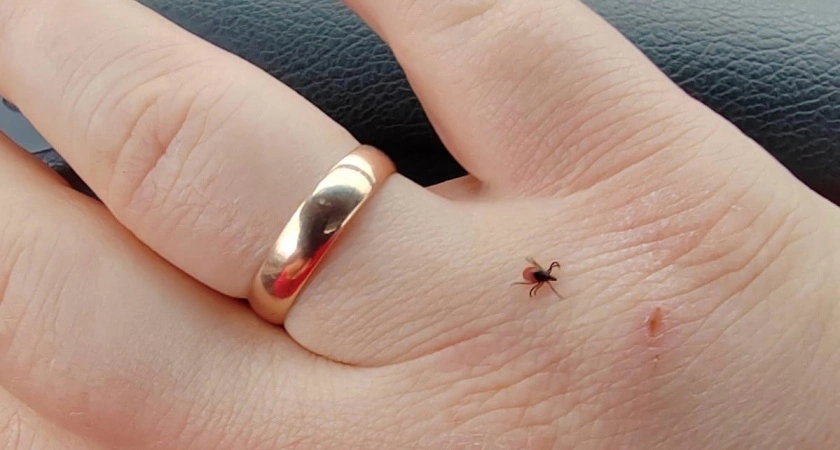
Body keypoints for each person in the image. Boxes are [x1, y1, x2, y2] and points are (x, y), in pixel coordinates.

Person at [0, 0, 837, 448]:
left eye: (542, 276)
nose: (542, 278)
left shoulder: (541, 278)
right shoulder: (539, 277)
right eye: (542, 275)